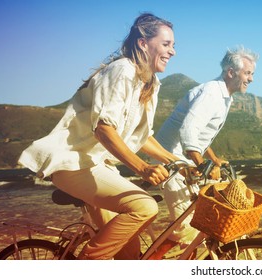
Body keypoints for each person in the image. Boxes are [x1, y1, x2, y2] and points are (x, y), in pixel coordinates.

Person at [18, 13, 179, 260]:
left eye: (173, 46)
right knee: (145, 206)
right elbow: (103, 129)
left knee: (130, 255)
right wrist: (143, 168)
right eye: (166, 44)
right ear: (143, 43)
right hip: (75, 163)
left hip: (99, 167)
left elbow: (140, 137)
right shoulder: (122, 71)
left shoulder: (150, 83)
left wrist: (179, 163)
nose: (172, 52)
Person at [150, 46, 259, 258]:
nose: (251, 79)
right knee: (187, 230)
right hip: (171, 162)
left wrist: (214, 159)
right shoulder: (211, 94)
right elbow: (188, 130)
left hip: (185, 161)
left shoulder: (225, 96)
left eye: (252, 74)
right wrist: (202, 165)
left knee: (207, 222)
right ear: (230, 72)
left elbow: (200, 135)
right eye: (247, 73)